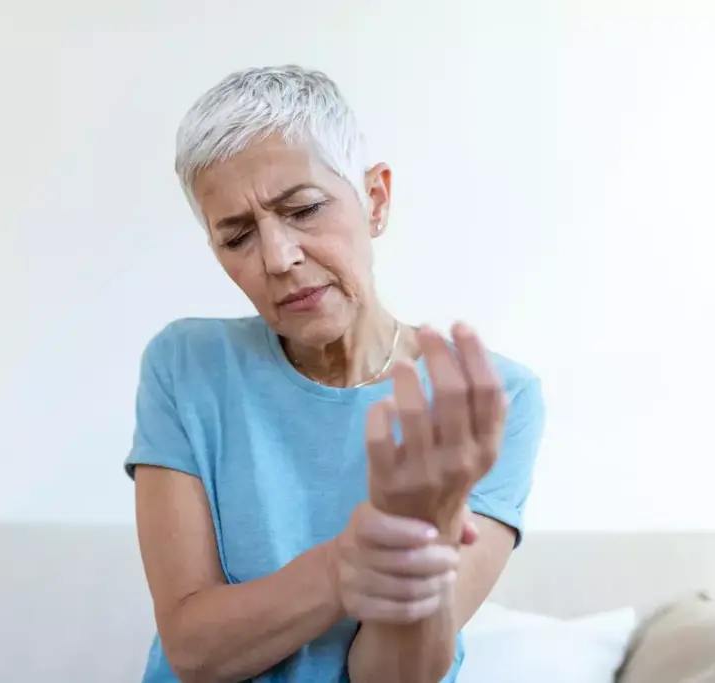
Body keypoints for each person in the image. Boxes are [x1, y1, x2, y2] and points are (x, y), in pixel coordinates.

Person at [124, 65, 545, 683]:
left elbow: (389, 676)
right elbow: (194, 650)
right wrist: (345, 566)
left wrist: (428, 527)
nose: (278, 257)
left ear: (375, 200)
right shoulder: (186, 366)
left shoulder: (490, 400)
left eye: (304, 209)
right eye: (237, 237)